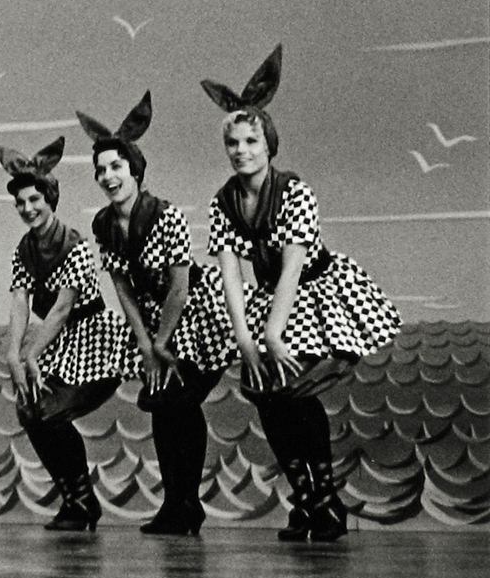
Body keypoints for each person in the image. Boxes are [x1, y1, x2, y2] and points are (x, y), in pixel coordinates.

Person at [202, 46, 401, 542]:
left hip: (314, 293)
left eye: (251, 140)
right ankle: (307, 500)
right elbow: (230, 275)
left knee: (295, 388)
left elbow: (293, 268)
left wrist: (272, 333)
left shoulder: (294, 191)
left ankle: (327, 502)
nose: (242, 150)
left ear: (269, 144)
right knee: (268, 396)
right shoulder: (224, 200)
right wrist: (246, 338)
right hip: (268, 298)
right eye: (233, 142)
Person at [78, 93, 234, 536]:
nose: (109, 176)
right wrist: (145, 345)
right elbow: (122, 287)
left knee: (180, 401)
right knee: (164, 409)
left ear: (135, 171)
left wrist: (162, 342)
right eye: (101, 170)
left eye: (116, 167)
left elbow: (180, 285)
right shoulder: (104, 226)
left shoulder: (167, 216)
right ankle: (176, 504)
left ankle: (187, 503)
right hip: (151, 323)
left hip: (194, 314)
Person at [0, 138, 141, 532]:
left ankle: (81, 502)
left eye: (34, 200)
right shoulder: (24, 249)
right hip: (57, 344)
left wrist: (29, 356)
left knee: (50, 411)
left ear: (50, 198)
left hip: (91, 337)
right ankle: (76, 498)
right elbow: (21, 301)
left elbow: (61, 308)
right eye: (21, 203)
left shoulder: (74, 244)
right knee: (30, 410)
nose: (28, 209)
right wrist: (13, 352)